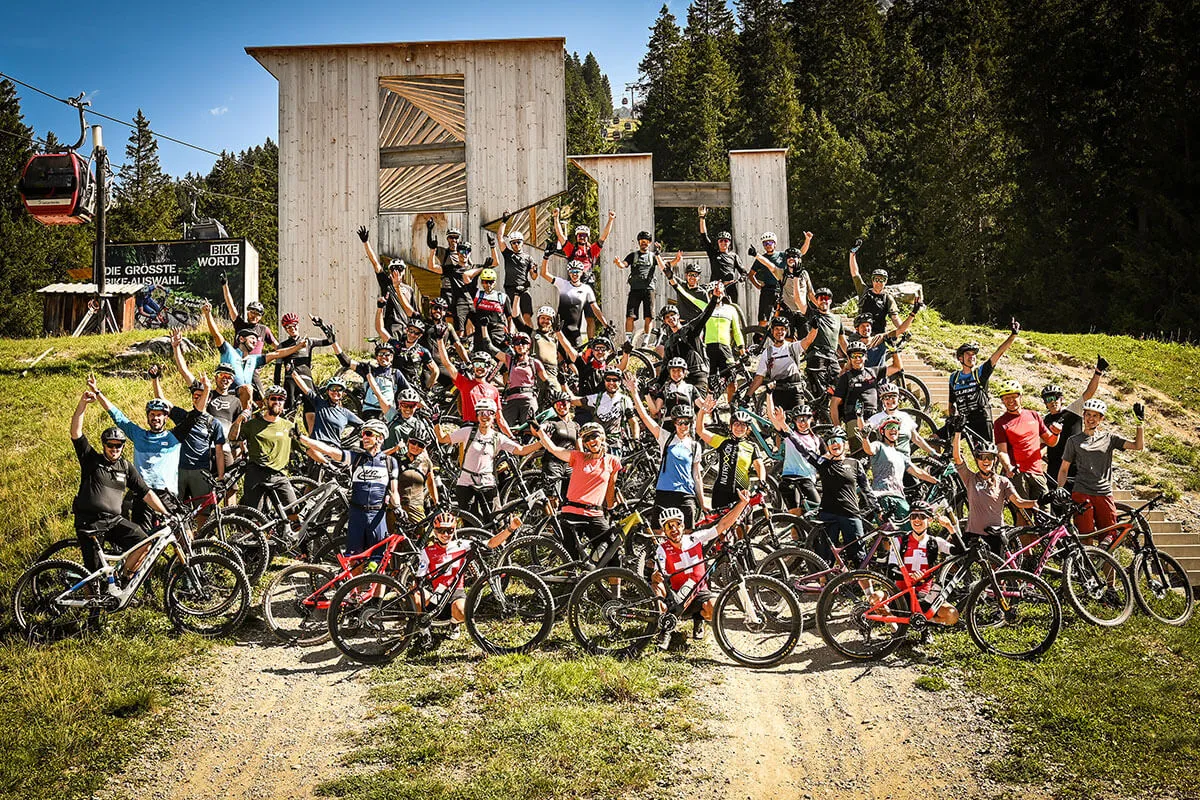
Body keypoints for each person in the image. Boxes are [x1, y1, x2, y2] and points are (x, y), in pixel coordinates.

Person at [69, 389, 170, 580]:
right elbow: (76, 432)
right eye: (110, 445)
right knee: (94, 574)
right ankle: (92, 605)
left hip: (114, 521)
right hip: (90, 522)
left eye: (118, 445)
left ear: (123, 446)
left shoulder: (125, 467)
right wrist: (82, 404)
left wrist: (166, 513)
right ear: (104, 445)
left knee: (143, 541)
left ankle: (123, 580)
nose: (114, 449)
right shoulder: (91, 460)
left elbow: (145, 492)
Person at [652, 491, 753, 646]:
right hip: (677, 596)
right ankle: (665, 630)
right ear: (664, 531)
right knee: (656, 587)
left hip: (699, 593)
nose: (674, 529)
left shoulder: (695, 538)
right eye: (669, 526)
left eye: (677, 524)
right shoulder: (662, 549)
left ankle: (699, 619)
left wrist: (742, 504)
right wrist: (656, 577)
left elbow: (723, 524)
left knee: (713, 608)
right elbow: (657, 574)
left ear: (683, 525)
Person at [87, 373, 184, 530]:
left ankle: (194, 555)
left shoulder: (174, 437)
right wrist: (97, 393)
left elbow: (196, 415)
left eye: (159, 415)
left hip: (167, 495)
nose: (156, 418)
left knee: (182, 531)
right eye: (152, 414)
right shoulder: (139, 434)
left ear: (166, 418)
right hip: (143, 494)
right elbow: (118, 416)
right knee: (143, 539)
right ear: (147, 417)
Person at [296, 419, 400, 558]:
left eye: (368, 434)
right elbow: (330, 451)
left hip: (378, 516)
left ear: (380, 437)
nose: (364, 437)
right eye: (363, 434)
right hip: (357, 514)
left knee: (378, 561)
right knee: (353, 559)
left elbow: (394, 491)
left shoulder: (390, 462)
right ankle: (353, 581)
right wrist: (301, 438)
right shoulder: (356, 458)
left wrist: (397, 506)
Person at [530, 420, 621, 562]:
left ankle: (615, 585)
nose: (591, 441)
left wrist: (611, 508)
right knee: (571, 559)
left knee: (613, 555)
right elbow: (553, 449)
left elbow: (611, 487)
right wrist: (540, 432)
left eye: (594, 436)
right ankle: (571, 582)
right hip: (571, 512)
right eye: (586, 438)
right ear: (584, 443)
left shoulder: (612, 461)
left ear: (602, 437)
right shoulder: (578, 457)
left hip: (595, 514)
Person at [415, 510, 522, 630]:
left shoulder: (461, 545)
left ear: (454, 530)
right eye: (441, 530)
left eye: (449, 530)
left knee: (462, 612)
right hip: (435, 595)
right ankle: (422, 629)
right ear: (435, 531)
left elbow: (490, 543)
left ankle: (454, 623)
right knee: (416, 595)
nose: (445, 534)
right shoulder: (427, 552)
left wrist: (510, 529)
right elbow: (420, 577)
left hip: (455, 594)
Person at [434, 398, 540, 518]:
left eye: (488, 413)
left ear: (494, 416)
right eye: (481, 413)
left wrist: (543, 441)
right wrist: (436, 422)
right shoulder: (467, 432)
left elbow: (522, 450)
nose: (484, 416)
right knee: (470, 522)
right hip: (466, 482)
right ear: (477, 415)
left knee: (496, 520)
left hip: (487, 483)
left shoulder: (498, 437)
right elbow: (442, 439)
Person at [1056, 398, 1145, 538]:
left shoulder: (1109, 439)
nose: (1090, 419)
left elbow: (1137, 446)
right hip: (1082, 492)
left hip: (1103, 492)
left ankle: (1104, 559)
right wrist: (1060, 488)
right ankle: (1085, 560)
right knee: (1085, 536)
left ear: (1101, 418)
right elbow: (1063, 469)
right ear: (1083, 416)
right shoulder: (1073, 441)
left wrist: (1139, 424)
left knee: (1110, 535)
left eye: (1095, 415)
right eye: (1088, 415)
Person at [949, 417, 1036, 554]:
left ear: (995, 460)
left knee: (997, 571)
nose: (986, 461)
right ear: (977, 460)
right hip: (973, 533)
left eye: (989, 457)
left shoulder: (1003, 482)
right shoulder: (971, 478)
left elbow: (1019, 502)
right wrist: (958, 432)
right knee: (959, 565)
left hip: (995, 533)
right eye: (982, 458)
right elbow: (957, 458)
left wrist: (1037, 502)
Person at [627, 378, 706, 529]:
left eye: (686, 423)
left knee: (687, 538)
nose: (683, 426)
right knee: (659, 534)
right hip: (664, 492)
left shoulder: (695, 446)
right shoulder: (666, 438)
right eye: (679, 422)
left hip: (686, 495)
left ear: (691, 423)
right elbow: (645, 417)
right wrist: (634, 392)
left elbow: (697, 476)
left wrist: (702, 503)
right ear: (674, 423)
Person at [149, 370, 226, 512]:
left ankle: (202, 535)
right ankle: (184, 534)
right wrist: (155, 379)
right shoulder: (183, 416)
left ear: (208, 399)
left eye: (201, 396)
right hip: (178, 470)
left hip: (201, 471)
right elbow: (161, 400)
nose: (197, 398)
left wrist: (221, 477)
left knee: (204, 511)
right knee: (176, 510)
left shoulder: (214, 423)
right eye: (195, 396)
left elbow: (220, 452)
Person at [202, 301, 303, 408]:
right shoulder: (229, 352)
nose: (255, 342)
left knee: (261, 401)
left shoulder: (254, 359)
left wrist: (298, 346)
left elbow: (277, 353)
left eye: (256, 339)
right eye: (252, 338)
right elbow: (216, 335)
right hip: (225, 396)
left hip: (245, 399)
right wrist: (208, 315)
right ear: (241, 339)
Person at [992, 379, 1061, 519]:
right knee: (1024, 516)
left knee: (1045, 514)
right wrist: (1008, 467)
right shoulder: (1000, 423)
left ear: (1020, 396)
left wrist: (1056, 433)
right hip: (1018, 474)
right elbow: (1002, 451)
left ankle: (1044, 541)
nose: (1010, 401)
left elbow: (1051, 442)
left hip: (1037, 472)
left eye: (1013, 397)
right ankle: (1024, 541)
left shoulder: (1034, 415)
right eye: (1006, 398)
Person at [884, 501, 959, 626]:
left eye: (922, 516)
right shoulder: (900, 541)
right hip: (901, 593)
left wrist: (950, 528)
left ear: (929, 520)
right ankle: (895, 627)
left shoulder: (935, 542)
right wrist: (910, 576)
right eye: (913, 516)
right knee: (875, 598)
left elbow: (960, 551)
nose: (917, 520)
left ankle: (924, 623)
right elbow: (891, 571)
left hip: (925, 595)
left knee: (952, 615)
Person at [947, 320, 1020, 443]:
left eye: (974, 354)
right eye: (968, 354)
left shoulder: (979, 373)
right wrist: (951, 418)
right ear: (960, 358)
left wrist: (1013, 335)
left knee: (984, 456)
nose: (972, 357)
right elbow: (951, 403)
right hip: (963, 420)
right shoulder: (954, 378)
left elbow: (998, 353)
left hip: (981, 421)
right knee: (936, 438)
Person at [813, 426, 876, 566]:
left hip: (851, 514)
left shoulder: (855, 463)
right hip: (828, 514)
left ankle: (866, 588)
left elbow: (866, 489)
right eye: (830, 442)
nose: (835, 444)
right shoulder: (823, 464)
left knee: (860, 557)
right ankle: (824, 586)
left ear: (845, 444)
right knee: (825, 557)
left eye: (838, 440)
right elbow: (800, 447)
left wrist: (877, 508)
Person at [229, 384, 296, 511]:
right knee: (253, 517)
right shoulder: (252, 425)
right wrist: (238, 420)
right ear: (266, 401)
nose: (277, 402)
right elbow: (232, 438)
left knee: (294, 513)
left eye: (280, 399)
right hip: (256, 474)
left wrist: (326, 460)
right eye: (273, 398)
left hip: (279, 475)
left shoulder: (289, 426)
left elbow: (306, 447)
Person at [1042, 356, 1106, 488]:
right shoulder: (1045, 420)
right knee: (1056, 502)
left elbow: (1088, 393)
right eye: (1048, 399)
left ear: (1062, 399)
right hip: (1054, 466)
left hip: (1075, 464)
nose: (1052, 401)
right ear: (1045, 403)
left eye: (1055, 398)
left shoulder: (1072, 411)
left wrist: (1098, 372)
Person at [858, 415, 938, 520]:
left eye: (896, 427)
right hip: (883, 496)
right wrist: (865, 438)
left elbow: (917, 472)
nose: (893, 429)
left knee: (909, 526)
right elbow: (869, 450)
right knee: (890, 530)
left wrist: (935, 481)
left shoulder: (900, 455)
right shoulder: (879, 445)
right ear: (882, 432)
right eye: (890, 426)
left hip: (899, 497)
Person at [830, 340, 905, 452]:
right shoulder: (845, 378)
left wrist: (894, 350)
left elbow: (897, 367)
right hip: (854, 419)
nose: (857, 359)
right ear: (849, 358)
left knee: (882, 452)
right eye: (853, 356)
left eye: (860, 355)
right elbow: (834, 404)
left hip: (875, 418)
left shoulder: (873, 372)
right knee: (859, 454)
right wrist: (837, 427)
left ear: (865, 357)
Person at [677, 280, 744, 403]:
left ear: (723, 294)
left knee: (732, 382)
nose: (716, 295)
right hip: (708, 349)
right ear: (709, 295)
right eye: (712, 293)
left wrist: (742, 349)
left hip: (725, 349)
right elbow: (687, 296)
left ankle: (732, 410)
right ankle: (711, 414)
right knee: (709, 385)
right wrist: (673, 281)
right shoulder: (705, 307)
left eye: (719, 293)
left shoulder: (731, 309)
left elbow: (737, 331)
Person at [696, 397, 765, 511]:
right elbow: (700, 430)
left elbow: (759, 465)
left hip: (741, 493)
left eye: (743, 425)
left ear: (748, 429)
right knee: (721, 527)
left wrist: (762, 481)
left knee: (745, 527)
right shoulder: (722, 441)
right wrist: (702, 412)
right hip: (721, 492)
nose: (739, 428)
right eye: (737, 424)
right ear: (731, 426)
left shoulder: (752, 447)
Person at [539, 243, 609, 348]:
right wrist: (546, 257)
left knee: (577, 360)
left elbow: (595, 309)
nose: (574, 274)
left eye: (577, 271)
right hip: (560, 330)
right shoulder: (563, 284)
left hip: (575, 331)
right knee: (559, 360)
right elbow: (544, 274)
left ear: (582, 273)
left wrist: (606, 325)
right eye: (572, 271)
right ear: (569, 272)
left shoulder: (586, 289)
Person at [420, 219, 479, 332]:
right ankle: (445, 334)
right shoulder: (444, 252)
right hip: (447, 287)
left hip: (462, 289)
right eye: (451, 237)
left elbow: (471, 268)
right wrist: (429, 230)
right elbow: (431, 245)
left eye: (456, 237)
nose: (454, 240)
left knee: (464, 315)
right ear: (447, 239)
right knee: (446, 313)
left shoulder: (464, 253)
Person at [792, 282, 845, 406]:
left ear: (831, 300)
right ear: (816, 301)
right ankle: (819, 418)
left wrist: (852, 356)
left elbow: (842, 341)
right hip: (817, 356)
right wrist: (795, 277)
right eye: (821, 298)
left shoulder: (837, 319)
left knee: (840, 386)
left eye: (826, 298)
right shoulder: (813, 315)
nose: (824, 301)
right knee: (819, 393)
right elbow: (798, 301)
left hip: (832, 358)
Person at [332, 339, 411, 421]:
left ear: (392, 357)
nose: (383, 357)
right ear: (376, 357)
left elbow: (409, 391)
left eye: (387, 354)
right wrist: (334, 343)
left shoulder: (396, 373)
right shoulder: (368, 370)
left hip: (388, 412)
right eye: (380, 354)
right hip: (370, 412)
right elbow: (346, 362)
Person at [766, 397, 822, 515]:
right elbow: (771, 415)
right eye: (799, 420)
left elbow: (828, 458)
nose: (802, 423)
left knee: (816, 512)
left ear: (811, 419)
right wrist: (769, 393)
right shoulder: (789, 435)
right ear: (794, 422)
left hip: (807, 479)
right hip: (789, 478)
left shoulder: (817, 440)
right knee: (795, 517)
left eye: (805, 419)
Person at [357, 225, 416, 335]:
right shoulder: (387, 283)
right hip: (391, 328)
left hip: (407, 330)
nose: (396, 271)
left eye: (399, 268)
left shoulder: (409, 290)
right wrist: (366, 242)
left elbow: (414, 312)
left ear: (404, 271)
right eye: (393, 268)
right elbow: (375, 263)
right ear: (389, 271)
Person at [746, 231, 813, 326]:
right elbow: (751, 274)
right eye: (765, 243)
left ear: (775, 243)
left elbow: (800, 253)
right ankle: (759, 337)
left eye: (770, 242)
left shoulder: (783, 255)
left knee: (784, 316)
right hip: (768, 289)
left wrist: (807, 240)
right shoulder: (761, 258)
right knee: (764, 318)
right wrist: (758, 285)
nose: (768, 245)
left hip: (783, 289)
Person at [273, 313, 334, 412]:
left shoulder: (308, 341)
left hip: (306, 379)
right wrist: (277, 387)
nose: (292, 328)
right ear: (285, 329)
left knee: (312, 411)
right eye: (288, 327)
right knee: (289, 412)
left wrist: (321, 326)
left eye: (294, 325)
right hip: (291, 380)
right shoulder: (282, 346)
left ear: (298, 325)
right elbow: (278, 368)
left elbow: (330, 341)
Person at [436, 342, 505, 430]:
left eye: (483, 364)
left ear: (488, 367)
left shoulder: (494, 390)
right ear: (473, 366)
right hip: (468, 428)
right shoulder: (465, 383)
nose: (479, 367)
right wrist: (440, 340)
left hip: (487, 430)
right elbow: (447, 363)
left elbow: (500, 419)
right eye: (476, 364)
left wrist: (511, 437)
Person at [497, 331, 557, 429]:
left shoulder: (534, 362)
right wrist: (484, 328)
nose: (520, 345)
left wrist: (553, 391)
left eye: (523, 342)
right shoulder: (509, 360)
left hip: (529, 398)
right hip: (511, 399)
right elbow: (490, 347)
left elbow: (547, 381)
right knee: (505, 429)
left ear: (529, 345)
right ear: (514, 346)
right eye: (517, 343)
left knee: (530, 429)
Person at [748, 316, 807, 411]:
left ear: (786, 331)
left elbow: (808, 341)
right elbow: (759, 377)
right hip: (777, 393)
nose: (779, 332)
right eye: (776, 329)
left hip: (795, 391)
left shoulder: (793, 347)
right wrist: (748, 395)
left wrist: (815, 328)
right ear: (772, 331)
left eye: (782, 329)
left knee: (800, 421)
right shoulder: (767, 352)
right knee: (778, 425)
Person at [865, 383, 939, 458]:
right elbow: (865, 428)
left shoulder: (905, 416)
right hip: (887, 462)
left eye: (893, 396)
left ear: (898, 398)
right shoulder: (877, 417)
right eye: (886, 397)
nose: (890, 399)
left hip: (905, 461)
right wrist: (861, 420)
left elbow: (916, 438)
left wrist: (932, 452)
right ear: (882, 401)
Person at [290, 374, 363, 448]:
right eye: (332, 388)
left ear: (343, 393)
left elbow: (363, 425)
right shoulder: (320, 403)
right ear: (328, 391)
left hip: (334, 450)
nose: (335, 391)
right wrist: (292, 372)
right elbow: (305, 389)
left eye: (339, 389)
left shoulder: (345, 413)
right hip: (317, 447)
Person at [493, 215, 539, 332]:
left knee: (526, 316)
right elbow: (499, 237)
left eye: (518, 242)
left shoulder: (528, 258)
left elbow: (533, 277)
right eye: (513, 243)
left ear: (522, 242)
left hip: (523, 289)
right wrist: (504, 221)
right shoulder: (508, 254)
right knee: (511, 317)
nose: (516, 245)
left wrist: (535, 271)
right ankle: (513, 341)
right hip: (510, 289)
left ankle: (531, 339)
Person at [580, 367, 638, 457]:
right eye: (608, 379)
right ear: (604, 381)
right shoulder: (596, 398)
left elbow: (633, 422)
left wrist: (636, 439)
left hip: (615, 444)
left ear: (620, 382)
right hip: (597, 444)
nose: (611, 383)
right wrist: (563, 386)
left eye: (615, 380)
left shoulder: (625, 400)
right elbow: (573, 401)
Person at [615, 231, 658, 347]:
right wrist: (619, 263)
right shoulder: (632, 256)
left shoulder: (653, 256)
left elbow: (665, 265)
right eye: (642, 241)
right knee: (630, 316)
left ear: (649, 243)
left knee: (649, 316)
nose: (644, 243)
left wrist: (676, 261)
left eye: (646, 241)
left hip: (649, 289)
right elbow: (624, 264)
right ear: (639, 242)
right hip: (635, 289)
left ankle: (645, 341)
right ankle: (628, 340)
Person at [848, 243, 902, 335]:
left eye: (882, 280)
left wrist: (903, 329)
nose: (878, 282)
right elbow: (855, 274)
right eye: (876, 279)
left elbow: (894, 317)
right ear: (872, 280)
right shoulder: (864, 291)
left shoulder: (887, 298)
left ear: (886, 282)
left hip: (878, 334)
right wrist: (852, 254)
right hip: (862, 333)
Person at [553, 206, 616, 285]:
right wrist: (556, 218)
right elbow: (560, 235)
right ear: (576, 237)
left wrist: (611, 220)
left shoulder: (592, 250)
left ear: (588, 237)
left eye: (584, 235)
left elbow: (604, 236)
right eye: (580, 235)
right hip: (574, 282)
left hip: (587, 282)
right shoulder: (572, 250)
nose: (582, 237)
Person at [697, 206, 747, 303]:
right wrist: (702, 218)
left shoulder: (734, 256)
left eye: (726, 241)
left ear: (729, 243)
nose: (723, 243)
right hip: (716, 287)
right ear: (718, 242)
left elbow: (744, 271)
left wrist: (742, 278)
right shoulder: (713, 253)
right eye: (721, 241)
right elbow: (704, 236)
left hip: (731, 287)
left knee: (732, 309)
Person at [220, 272, 277, 355]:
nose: (254, 316)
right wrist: (225, 285)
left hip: (255, 367)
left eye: (257, 314)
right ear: (247, 313)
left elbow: (278, 347)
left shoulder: (264, 330)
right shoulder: (240, 325)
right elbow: (230, 306)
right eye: (252, 312)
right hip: (238, 365)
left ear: (261, 317)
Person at [377, 315, 439, 390]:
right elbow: (380, 329)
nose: (412, 335)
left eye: (416, 333)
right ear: (407, 330)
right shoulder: (397, 345)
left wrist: (427, 388)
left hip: (411, 387)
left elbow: (435, 371)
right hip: (394, 384)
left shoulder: (422, 351)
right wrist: (380, 307)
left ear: (420, 335)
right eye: (411, 331)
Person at [392, 434, 438, 522]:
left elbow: (431, 483)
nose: (415, 447)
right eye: (413, 442)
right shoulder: (397, 459)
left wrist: (436, 502)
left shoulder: (426, 462)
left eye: (420, 445)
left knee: (424, 534)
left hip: (416, 507)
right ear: (408, 442)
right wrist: (395, 449)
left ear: (424, 448)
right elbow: (377, 457)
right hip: (396, 506)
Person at [468, 267, 510, 356]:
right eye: (485, 282)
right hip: (480, 331)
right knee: (479, 356)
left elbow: (510, 318)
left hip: (497, 332)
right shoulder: (477, 294)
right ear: (481, 282)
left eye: (491, 282)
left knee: (498, 357)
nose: (488, 284)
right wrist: (482, 268)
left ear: (495, 282)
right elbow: (466, 278)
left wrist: (510, 334)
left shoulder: (502, 297)